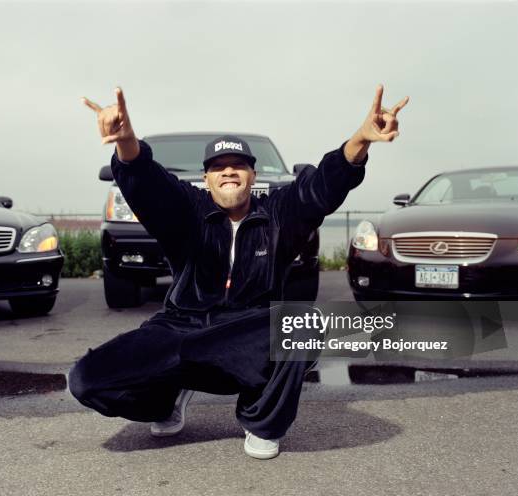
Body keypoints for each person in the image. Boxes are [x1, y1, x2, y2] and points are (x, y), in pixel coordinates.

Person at [69, 85, 408, 459]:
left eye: (237, 165)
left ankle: (259, 421)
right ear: (207, 178)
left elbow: (322, 185)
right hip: (182, 327)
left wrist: (362, 138)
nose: (228, 171)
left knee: (302, 323)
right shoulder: (188, 209)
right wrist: (127, 141)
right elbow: (148, 183)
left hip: (247, 332)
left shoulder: (278, 213)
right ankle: (165, 401)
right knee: (87, 381)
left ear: (252, 174)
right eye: (217, 166)